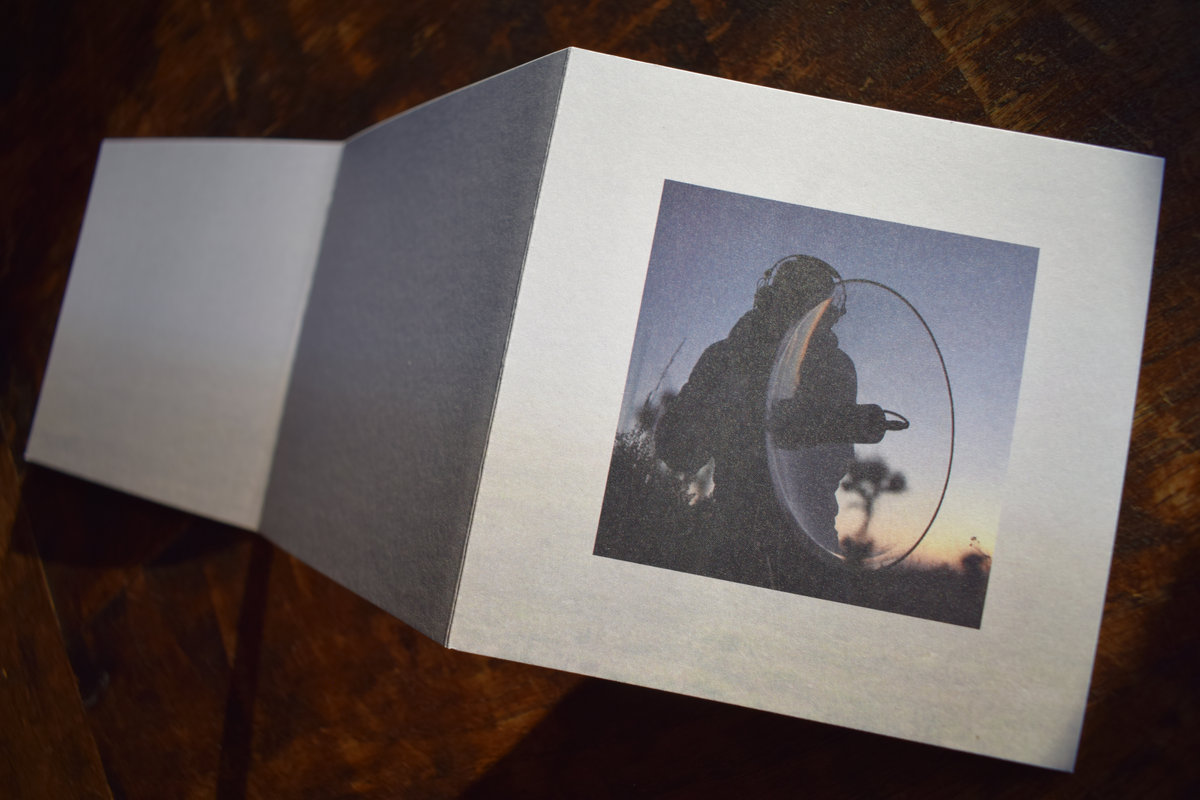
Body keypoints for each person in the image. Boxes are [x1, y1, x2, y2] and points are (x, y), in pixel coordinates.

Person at [653, 255, 900, 586]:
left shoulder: (836, 368)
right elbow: (675, 450)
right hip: (730, 536)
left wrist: (806, 428)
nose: (801, 314)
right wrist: (730, 420)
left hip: (809, 543)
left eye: (812, 304)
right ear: (772, 300)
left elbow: (832, 465)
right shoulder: (725, 357)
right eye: (795, 299)